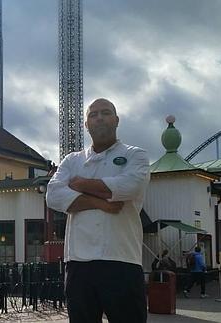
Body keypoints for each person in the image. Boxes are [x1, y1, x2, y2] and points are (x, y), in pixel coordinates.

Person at [46, 98, 150, 323]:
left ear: (117, 120)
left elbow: (130, 186)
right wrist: (101, 203)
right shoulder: (72, 160)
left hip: (122, 261)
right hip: (78, 264)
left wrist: (81, 185)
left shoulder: (136, 155)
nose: (100, 117)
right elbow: (53, 196)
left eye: (106, 112)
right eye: (93, 114)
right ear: (86, 124)